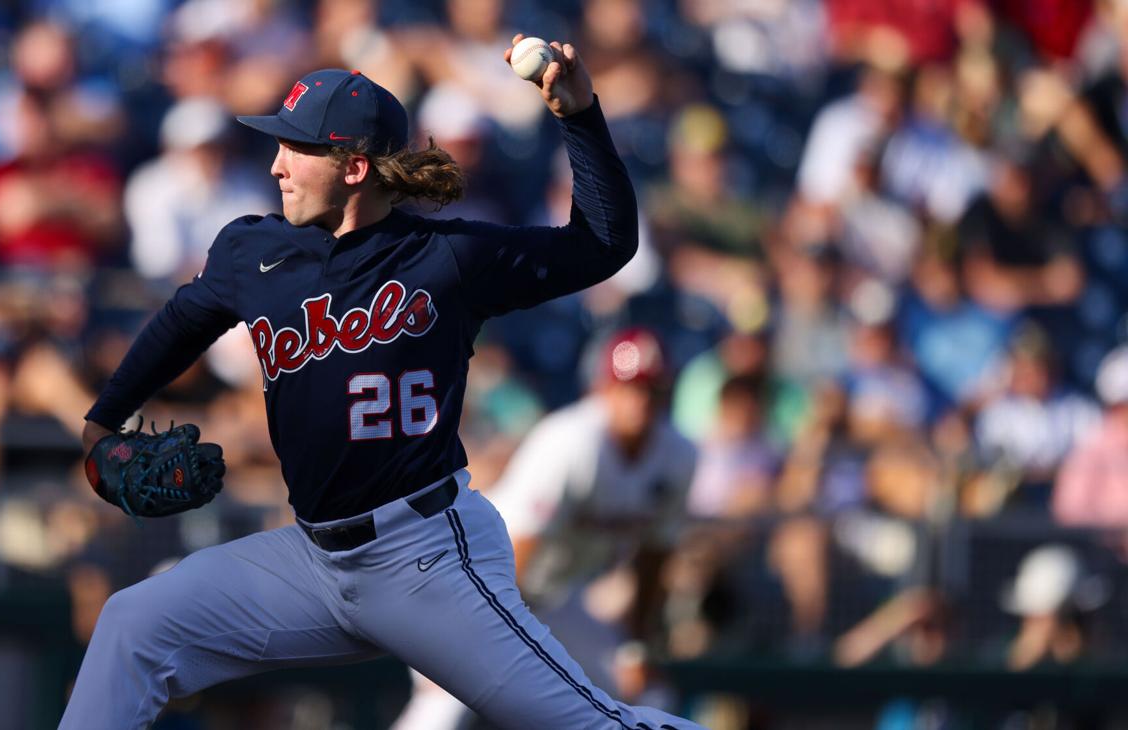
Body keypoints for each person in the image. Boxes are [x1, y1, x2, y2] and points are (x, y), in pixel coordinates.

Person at [59, 34, 703, 730]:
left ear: (355, 166)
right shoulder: (254, 251)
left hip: (426, 556)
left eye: (296, 148)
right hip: (309, 559)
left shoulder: (446, 260)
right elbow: (184, 321)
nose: (275, 165)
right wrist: (105, 418)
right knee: (133, 624)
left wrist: (579, 115)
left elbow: (604, 243)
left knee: (592, 725)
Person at [393, 327, 698, 729]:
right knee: (447, 703)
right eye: (629, 388)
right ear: (603, 389)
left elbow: (654, 558)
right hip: (471, 585)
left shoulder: (678, 455)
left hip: (548, 598)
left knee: (644, 692)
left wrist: (635, 648)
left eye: (651, 389)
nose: (639, 401)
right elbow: (514, 550)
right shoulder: (572, 442)